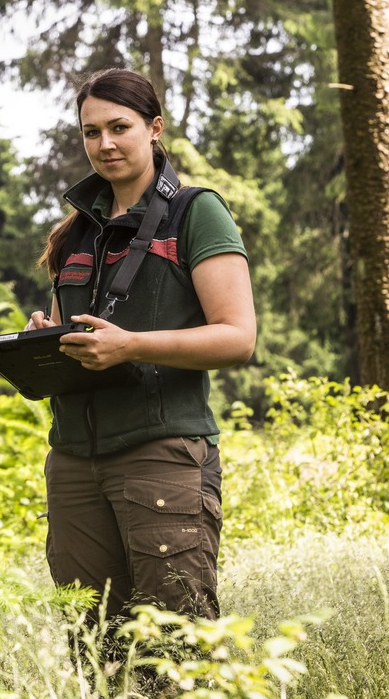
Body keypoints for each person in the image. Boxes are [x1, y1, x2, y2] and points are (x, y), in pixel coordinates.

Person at [27, 68, 256, 650]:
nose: (104, 144)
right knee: (96, 647)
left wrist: (131, 344)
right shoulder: (75, 233)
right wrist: (46, 340)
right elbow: (76, 333)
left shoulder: (197, 213)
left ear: (154, 128)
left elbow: (237, 337)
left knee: (178, 648)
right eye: (91, 131)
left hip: (164, 456)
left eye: (119, 127)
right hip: (74, 464)